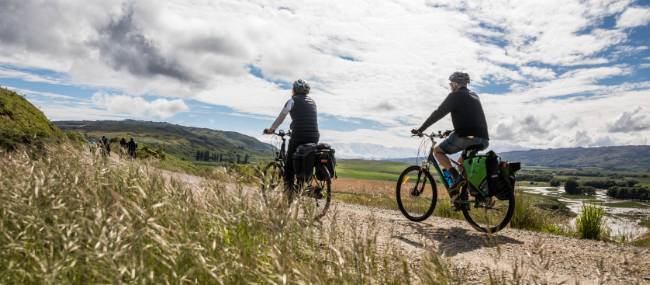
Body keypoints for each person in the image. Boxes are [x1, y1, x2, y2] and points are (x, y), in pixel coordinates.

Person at [412, 72, 490, 204]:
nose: (450, 86)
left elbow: (438, 113)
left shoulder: (455, 95)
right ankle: (462, 197)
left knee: (437, 151)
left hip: (466, 137)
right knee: (462, 165)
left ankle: (454, 176)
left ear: (455, 84)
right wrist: (452, 130)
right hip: (483, 139)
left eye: (450, 84)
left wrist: (421, 129)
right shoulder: (474, 95)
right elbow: (472, 119)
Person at [264, 79, 319, 189]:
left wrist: (271, 129)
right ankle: (301, 186)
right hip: (314, 136)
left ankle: (288, 194)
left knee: (289, 165)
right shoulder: (312, 102)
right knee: (305, 158)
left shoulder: (292, 101)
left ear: (294, 90)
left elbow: (281, 117)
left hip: (299, 135)